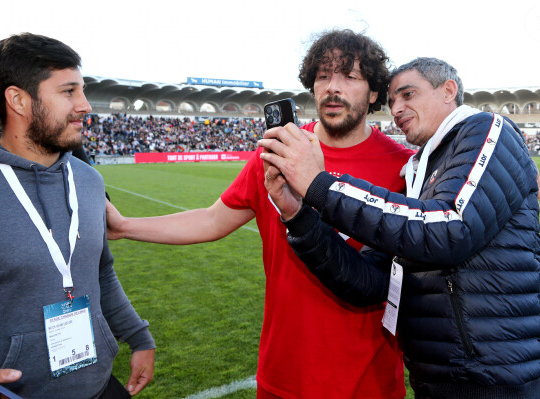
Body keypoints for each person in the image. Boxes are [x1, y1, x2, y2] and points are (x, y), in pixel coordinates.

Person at [107, 29, 414, 399]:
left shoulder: (405, 170)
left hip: (370, 383)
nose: (333, 88)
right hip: (282, 379)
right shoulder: (278, 151)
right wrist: (124, 226)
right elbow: (211, 220)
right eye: (323, 75)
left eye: (349, 76)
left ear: (374, 91)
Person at [259, 57, 540, 399]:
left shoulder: (486, 128)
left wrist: (320, 185)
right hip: (438, 378)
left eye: (408, 94)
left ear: (448, 90)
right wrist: (299, 217)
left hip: (493, 380)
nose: (397, 108)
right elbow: (367, 282)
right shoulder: (420, 173)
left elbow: (450, 229)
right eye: (392, 101)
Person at [0, 33, 155, 398]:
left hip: (101, 386)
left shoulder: (89, 180)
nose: (85, 105)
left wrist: (138, 337)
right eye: (68, 92)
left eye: (82, 90)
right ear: (17, 100)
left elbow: (101, 271)